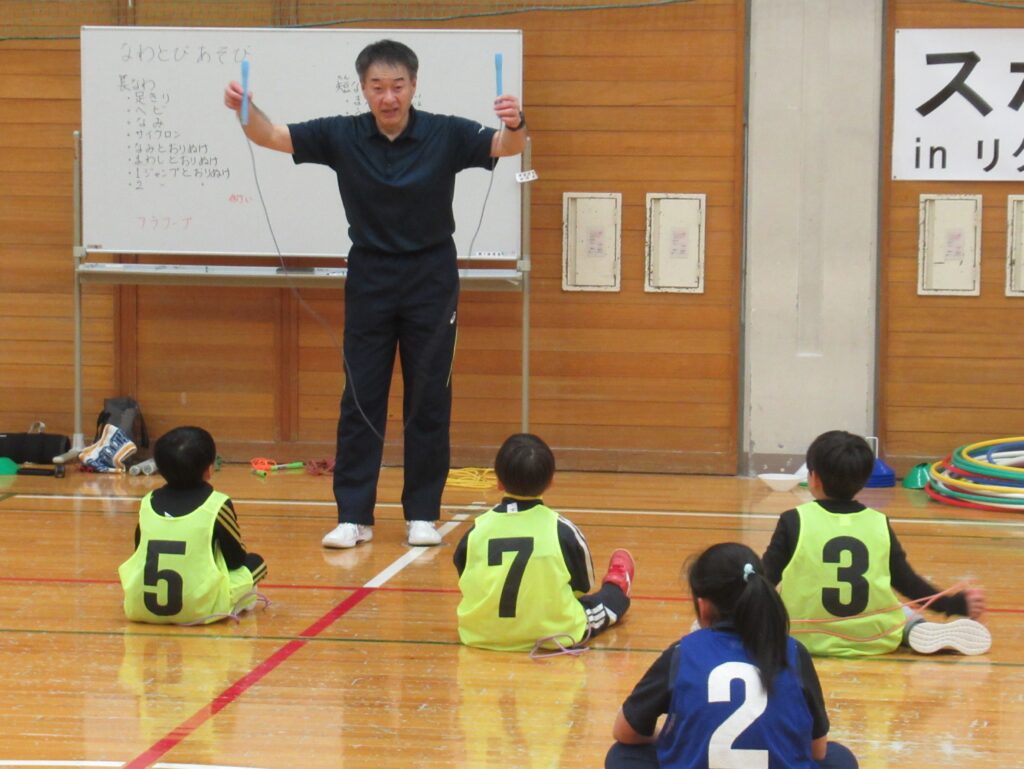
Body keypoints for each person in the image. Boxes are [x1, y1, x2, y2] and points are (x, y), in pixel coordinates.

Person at [223, 39, 528, 549]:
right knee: (360, 397)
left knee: (429, 397)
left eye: (398, 86)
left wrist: (515, 123)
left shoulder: (446, 132)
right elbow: (270, 135)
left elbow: (507, 147)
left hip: (432, 276)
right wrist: (245, 109)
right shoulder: (342, 134)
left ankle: (422, 514)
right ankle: (354, 515)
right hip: (370, 276)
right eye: (378, 87)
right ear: (363, 88)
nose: (388, 97)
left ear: (414, 86)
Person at [606, 543, 858, 769]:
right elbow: (817, 750)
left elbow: (625, 732)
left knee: (622, 755)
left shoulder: (683, 652)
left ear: (703, 605)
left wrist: (670, 739)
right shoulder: (794, 651)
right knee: (839, 758)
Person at [763, 429, 991, 657]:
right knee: (899, 609)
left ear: (814, 478)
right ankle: (915, 627)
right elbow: (907, 583)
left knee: (778, 605)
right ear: (863, 481)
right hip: (873, 637)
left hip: (803, 639)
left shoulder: (793, 520)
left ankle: (913, 628)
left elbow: (763, 579)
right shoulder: (878, 522)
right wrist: (954, 604)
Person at [453, 433, 635, 652]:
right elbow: (582, 586)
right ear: (551, 481)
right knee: (608, 601)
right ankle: (618, 584)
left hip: (480, 634)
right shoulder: (563, 530)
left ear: (499, 482)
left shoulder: (476, 531)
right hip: (554, 634)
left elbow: (467, 579)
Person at [118, 426, 267, 624]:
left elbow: (141, 553)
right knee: (256, 564)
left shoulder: (146, 503)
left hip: (141, 608)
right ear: (209, 469)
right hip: (200, 611)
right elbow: (235, 560)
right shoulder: (217, 504)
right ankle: (237, 603)